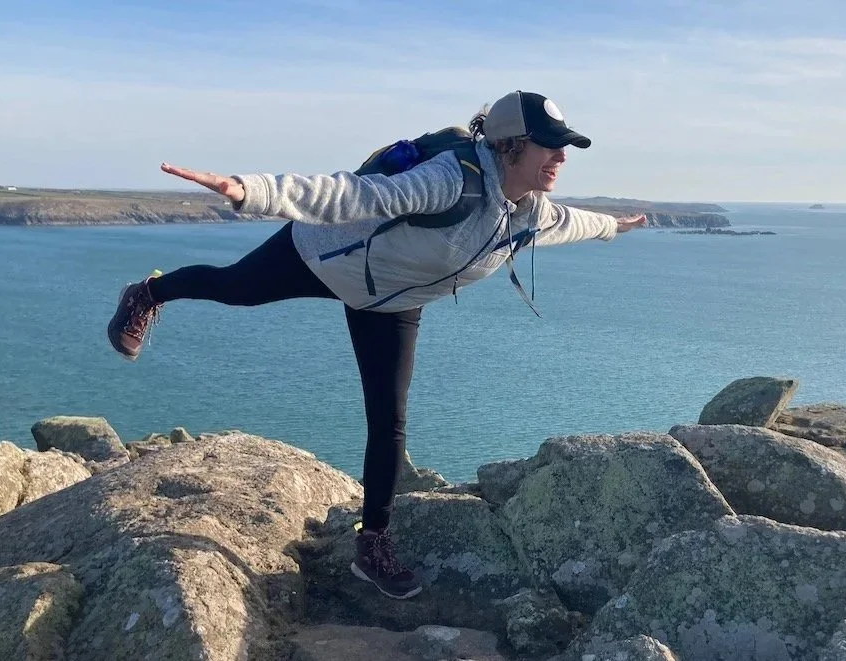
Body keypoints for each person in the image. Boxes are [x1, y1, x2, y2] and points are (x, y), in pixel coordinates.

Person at [105, 90, 647, 600]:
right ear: (512, 146)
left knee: (389, 419)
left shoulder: (528, 209)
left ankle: (372, 543)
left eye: (563, 148)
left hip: (387, 299)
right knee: (235, 289)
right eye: (550, 146)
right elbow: (357, 195)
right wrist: (254, 191)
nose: (561, 157)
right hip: (325, 255)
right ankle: (148, 292)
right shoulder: (450, 181)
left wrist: (614, 227)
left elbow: (572, 222)